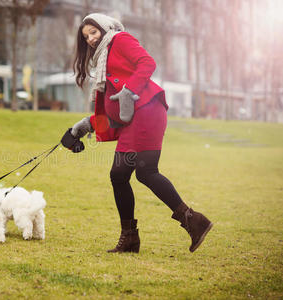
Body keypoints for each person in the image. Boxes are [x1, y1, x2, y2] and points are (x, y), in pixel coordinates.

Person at [66, 13, 213, 253]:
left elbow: (148, 63)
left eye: (93, 32)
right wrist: (86, 125)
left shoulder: (120, 39)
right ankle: (191, 222)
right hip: (138, 117)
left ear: (104, 28)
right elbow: (116, 110)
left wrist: (128, 91)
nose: (91, 39)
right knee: (143, 173)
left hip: (146, 112)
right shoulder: (102, 56)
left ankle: (143, 234)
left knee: (122, 173)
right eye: (86, 36)